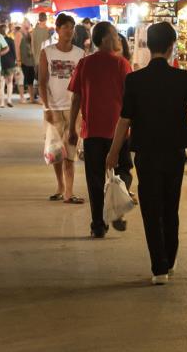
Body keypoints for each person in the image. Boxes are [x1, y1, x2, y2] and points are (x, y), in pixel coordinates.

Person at [105, 22, 187, 285]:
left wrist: (113, 152)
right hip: (174, 154)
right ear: (172, 46)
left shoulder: (134, 80)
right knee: (170, 208)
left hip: (147, 155)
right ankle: (170, 261)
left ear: (149, 46)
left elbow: (124, 120)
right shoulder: (182, 78)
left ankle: (158, 267)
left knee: (151, 209)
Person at [68, 22, 134, 237]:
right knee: (123, 170)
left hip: (92, 132)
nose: (118, 39)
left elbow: (76, 98)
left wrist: (72, 128)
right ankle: (115, 202)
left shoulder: (85, 64)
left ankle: (98, 225)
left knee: (94, 179)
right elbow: (131, 99)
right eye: (115, 35)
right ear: (105, 39)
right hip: (118, 132)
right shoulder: (121, 64)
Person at [39, 13, 85, 204]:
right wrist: (47, 107)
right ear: (57, 30)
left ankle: (69, 191)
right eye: (65, 27)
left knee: (71, 150)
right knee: (56, 151)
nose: (69, 30)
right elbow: (42, 82)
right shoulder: (47, 52)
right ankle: (60, 186)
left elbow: (83, 84)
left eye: (71, 27)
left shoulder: (80, 54)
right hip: (54, 109)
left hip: (74, 109)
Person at [0, 23, 18, 108]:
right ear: (6, 30)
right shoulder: (10, 40)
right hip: (10, 63)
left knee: (2, 83)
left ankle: (2, 102)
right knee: (9, 82)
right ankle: (9, 100)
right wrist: (15, 62)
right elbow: (14, 53)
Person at [19, 21, 37, 103]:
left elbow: (33, 46)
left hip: (30, 60)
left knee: (31, 80)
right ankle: (22, 97)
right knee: (22, 80)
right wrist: (18, 59)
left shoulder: (30, 34)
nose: (28, 25)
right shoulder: (19, 34)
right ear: (23, 25)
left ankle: (32, 98)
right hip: (23, 60)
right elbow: (17, 47)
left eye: (29, 24)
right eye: (26, 24)